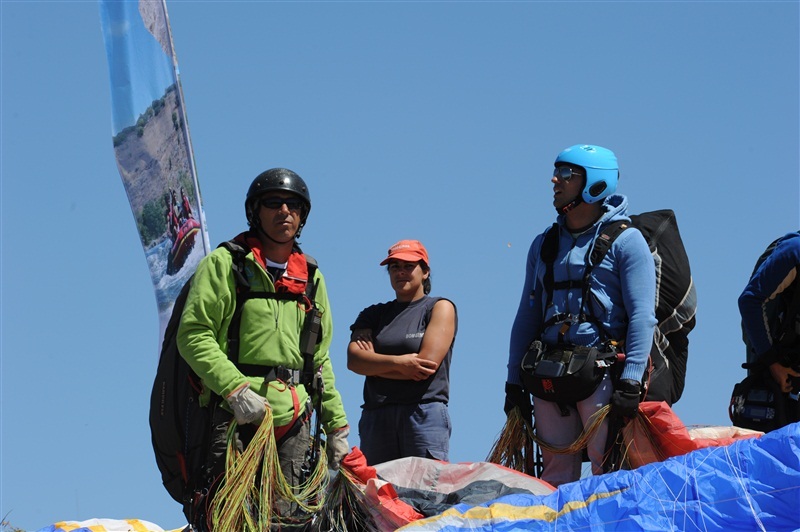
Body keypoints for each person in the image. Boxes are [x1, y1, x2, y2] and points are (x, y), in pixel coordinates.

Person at [176, 168, 350, 527]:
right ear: (255, 212)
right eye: (273, 203)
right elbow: (193, 334)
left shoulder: (312, 280)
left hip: (294, 424)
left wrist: (337, 427)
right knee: (230, 520)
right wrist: (235, 389)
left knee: (290, 524)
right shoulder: (226, 266)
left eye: (294, 205)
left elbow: (319, 360)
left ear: (302, 217)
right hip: (235, 418)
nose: (284, 211)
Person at [504, 144, 656, 486]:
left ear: (595, 183)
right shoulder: (543, 244)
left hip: (601, 374)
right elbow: (526, 317)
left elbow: (642, 316)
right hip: (548, 372)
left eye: (567, 174)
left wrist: (632, 379)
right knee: (554, 475)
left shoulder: (627, 241)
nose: (554, 180)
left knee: (608, 469)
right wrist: (514, 380)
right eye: (557, 172)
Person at [347, 239, 457, 465]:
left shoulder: (439, 307)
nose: (401, 272)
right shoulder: (373, 314)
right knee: (377, 495)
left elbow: (425, 365)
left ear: (425, 272)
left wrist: (375, 367)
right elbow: (355, 361)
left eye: (409, 266)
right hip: (377, 416)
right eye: (395, 267)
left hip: (423, 413)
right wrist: (400, 364)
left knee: (424, 495)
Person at [738, 231, 800, 427]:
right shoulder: (795, 251)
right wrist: (772, 363)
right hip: (776, 364)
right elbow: (750, 300)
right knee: (771, 438)